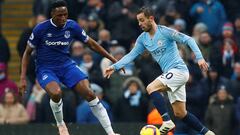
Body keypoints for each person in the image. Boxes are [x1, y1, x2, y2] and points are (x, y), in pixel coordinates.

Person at [104, 7, 215, 135]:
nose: (139, 24)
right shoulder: (142, 39)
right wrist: (114, 66)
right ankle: (207, 133)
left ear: (151, 19)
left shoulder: (165, 32)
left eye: (142, 20)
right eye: (138, 21)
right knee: (180, 113)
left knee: (151, 87)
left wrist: (200, 58)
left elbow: (188, 39)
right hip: (171, 75)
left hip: (179, 70)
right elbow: (131, 55)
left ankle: (166, 121)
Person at [19, 1, 121, 135]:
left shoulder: (72, 26)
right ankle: (61, 124)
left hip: (66, 66)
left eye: (65, 15)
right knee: (56, 93)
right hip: (46, 68)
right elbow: (27, 53)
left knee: (90, 94)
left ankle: (111, 133)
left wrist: (112, 58)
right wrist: (22, 77)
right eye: (59, 15)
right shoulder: (40, 29)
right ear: (52, 14)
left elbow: (92, 44)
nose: (63, 18)